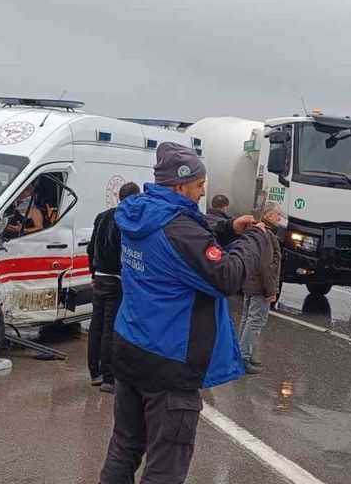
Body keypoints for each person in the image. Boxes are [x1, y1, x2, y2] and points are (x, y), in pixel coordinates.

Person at [100, 142, 266, 483]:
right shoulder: (180, 232)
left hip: (130, 347)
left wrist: (226, 228)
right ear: (179, 186)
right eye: (199, 186)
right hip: (169, 363)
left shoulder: (137, 212)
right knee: (168, 460)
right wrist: (254, 239)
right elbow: (227, 278)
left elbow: (181, 228)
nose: (203, 192)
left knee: (125, 444)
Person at [86, 181, 140, 394]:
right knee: (111, 327)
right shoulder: (126, 219)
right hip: (116, 279)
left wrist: (92, 272)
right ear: (136, 198)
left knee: (96, 325)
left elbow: (91, 248)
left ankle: (95, 373)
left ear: (119, 197)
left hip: (99, 277)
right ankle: (109, 378)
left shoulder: (102, 216)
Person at [238, 201, 282, 374]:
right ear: (269, 215)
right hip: (260, 285)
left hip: (250, 282)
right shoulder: (267, 235)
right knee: (255, 321)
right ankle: (244, 356)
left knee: (247, 318)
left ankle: (242, 353)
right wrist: (271, 291)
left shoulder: (255, 230)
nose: (280, 218)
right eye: (278, 215)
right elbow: (267, 265)